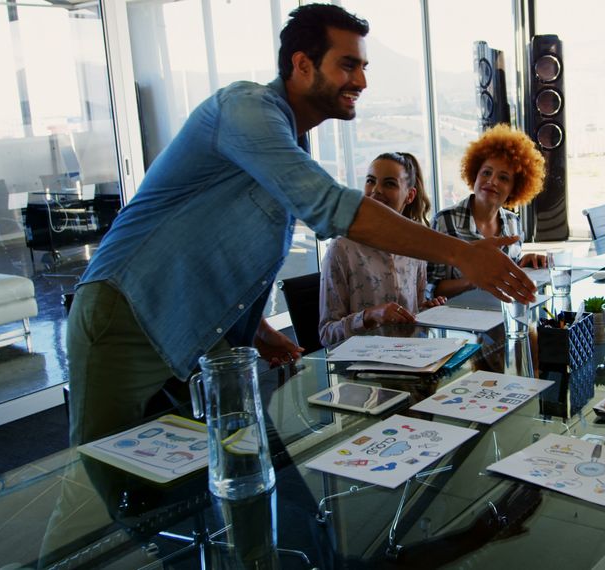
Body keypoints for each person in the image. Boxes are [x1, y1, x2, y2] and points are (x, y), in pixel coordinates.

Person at [66, 4, 535, 446]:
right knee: (93, 495)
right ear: (303, 65)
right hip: (127, 316)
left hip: (197, 332)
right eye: (349, 65)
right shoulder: (246, 109)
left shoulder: (291, 136)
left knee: (189, 486)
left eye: (364, 66)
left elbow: (227, 245)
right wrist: (461, 253)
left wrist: (257, 330)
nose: (362, 81)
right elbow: (332, 207)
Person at [318, 152, 446, 347]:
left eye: (389, 184)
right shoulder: (341, 249)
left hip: (411, 359)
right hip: (361, 369)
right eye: (371, 181)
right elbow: (327, 335)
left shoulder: (415, 249)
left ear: (409, 195)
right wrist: (370, 316)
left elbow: (414, 313)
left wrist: (427, 311)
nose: (376, 190)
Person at [426, 124, 547, 299]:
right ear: (474, 175)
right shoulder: (445, 220)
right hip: (457, 320)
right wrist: (474, 280)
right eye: (486, 173)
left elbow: (506, 275)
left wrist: (524, 263)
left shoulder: (514, 223)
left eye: (503, 178)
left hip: (502, 316)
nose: (492, 181)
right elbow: (430, 289)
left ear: (515, 188)